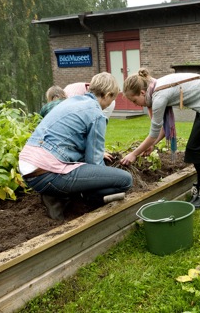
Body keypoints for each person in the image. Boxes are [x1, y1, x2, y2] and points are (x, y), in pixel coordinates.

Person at [120, 68, 200, 209]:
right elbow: (164, 132)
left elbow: (154, 133)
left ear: (142, 92)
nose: (137, 105)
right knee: (197, 149)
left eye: (135, 100)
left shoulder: (158, 96)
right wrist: (149, 145)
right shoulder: (154, 85)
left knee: (195, 150)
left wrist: (134, 154)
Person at [18, 72, 133, 220]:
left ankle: (58, 195)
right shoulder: (96, 114)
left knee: (83, 171)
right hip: (47, 175)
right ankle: (84, 199)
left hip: (29, 168)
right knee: (125, 180)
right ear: (107, 95)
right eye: (113, 98)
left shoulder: (71, 102)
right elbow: (94, 163)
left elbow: (66, 139)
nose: (111, 103)